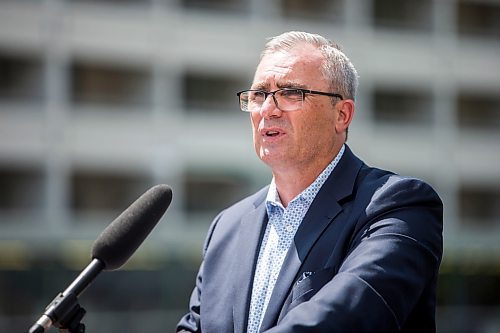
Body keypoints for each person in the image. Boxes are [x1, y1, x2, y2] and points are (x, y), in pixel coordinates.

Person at [176, 31, 443, 333]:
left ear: (342, 114)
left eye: (291, 93)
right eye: (259, 95)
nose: (267, 109)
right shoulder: (227, 227)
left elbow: (345, 319)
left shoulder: (399, 206)